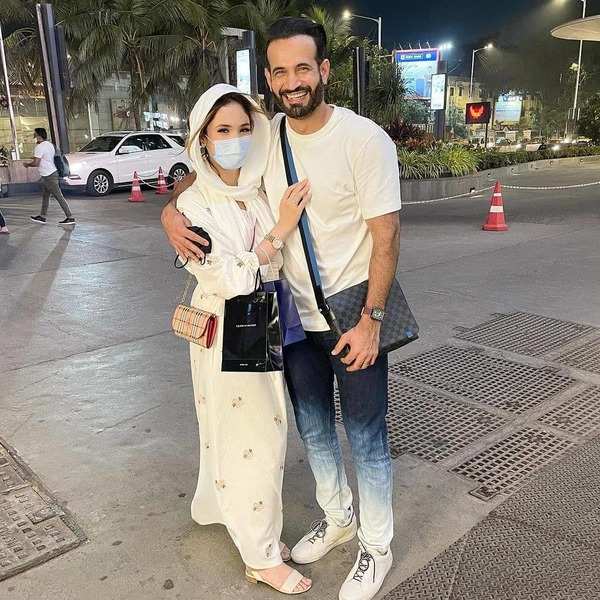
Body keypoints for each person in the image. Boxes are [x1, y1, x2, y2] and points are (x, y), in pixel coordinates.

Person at [162, 17, 402, 600]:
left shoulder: (364, 140)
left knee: (366, 436)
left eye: (303, 68)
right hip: (290, 317)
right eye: (280, 71)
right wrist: (170, 213)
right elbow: (210, 167)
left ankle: (376, 546)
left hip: (351, 312)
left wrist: (372, 321)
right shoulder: (269, 136)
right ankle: (338, 516)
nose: (292, 81)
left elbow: (387, 239)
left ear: (323, 70)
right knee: (315, 430)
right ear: (269, 79)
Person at [175, 83, 313, 595]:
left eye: (242, 129)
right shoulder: (192, 205)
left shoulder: (254, 192)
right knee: (256, 436)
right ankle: (260, 554)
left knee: (250, 430)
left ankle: (228, 512)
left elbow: (260, 266)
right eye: (222, 130)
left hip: (263, 320)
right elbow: (227, 278)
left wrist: (262, 247)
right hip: (229, 333)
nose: (233, 139)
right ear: (203, 140)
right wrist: (276, 234)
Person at [25, 128, 75, 227]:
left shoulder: (40, 147)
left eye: (34, 134)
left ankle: (70, 217)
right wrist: (34, 158)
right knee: (45, 196)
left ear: (38, 135)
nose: (33, 135)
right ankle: (42, 216)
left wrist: (27, 164)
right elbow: (46, 158)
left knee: (59, 197)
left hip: (49, 176)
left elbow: (36, 163)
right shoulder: (49, 145)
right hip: (49, 174)